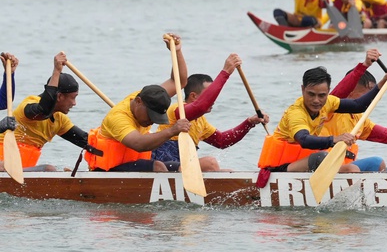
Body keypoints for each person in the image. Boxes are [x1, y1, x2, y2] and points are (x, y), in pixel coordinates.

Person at [257, 64, 387, 173]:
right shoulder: (296, 113)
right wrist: (334, 139)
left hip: (310, 164)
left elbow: (358, 105)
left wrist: (383, 82)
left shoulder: (329, 102)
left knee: (377, 163)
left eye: (322, 95)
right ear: (302, 89)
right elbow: (304, 140)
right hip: (281, 169)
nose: (316, 101)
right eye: (311, 94)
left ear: (328, 92)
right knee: (342, 166)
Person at [85, 35, 191, 173]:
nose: (151, 121)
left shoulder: (150, 97)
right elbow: (138, 144)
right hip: (107, 170)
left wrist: (176, 52)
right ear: (138, 102)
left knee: (181, 167)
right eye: (150, 116)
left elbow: (179, 82)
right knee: (158, 166)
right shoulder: (118, 118)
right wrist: (172, 130)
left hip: (134, 163)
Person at [152, 54, 270, 171]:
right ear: (193, 96)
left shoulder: (201, 121)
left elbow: (222, 141)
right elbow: (200, 107)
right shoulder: (178, 110)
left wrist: (249, 122)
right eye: (209, 94)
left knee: (228, 173)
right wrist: (225, 72)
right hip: (164, 164)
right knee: (210, 163)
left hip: (181, 166)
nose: (213, 99)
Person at [0, 53, 92, 172]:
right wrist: (56, 71)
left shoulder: (59, 119)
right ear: (59, 96)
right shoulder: (29, 107)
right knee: (49, 169)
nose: (74, 103)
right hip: (4, 167)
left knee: (65, 172)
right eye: (73, 98)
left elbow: (85, 141)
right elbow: (43, 110)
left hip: (19, 172)